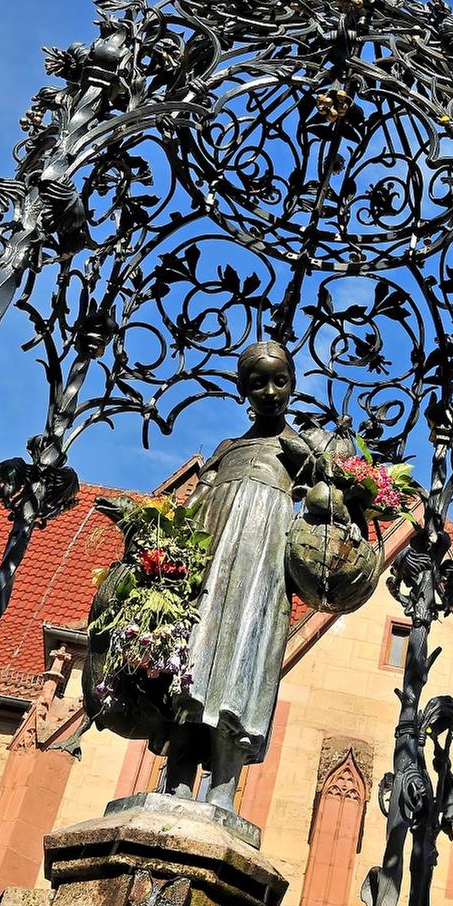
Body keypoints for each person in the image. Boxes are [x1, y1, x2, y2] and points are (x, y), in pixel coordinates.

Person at [156, 341, 317, 812]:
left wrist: (319, 468)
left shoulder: (302, 446)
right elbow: (192, 507)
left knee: (242, 663)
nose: (269, 391)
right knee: (193, 662)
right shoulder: (228, 449)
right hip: (210, 557)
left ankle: (224, 788)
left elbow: (332, 500)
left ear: (292, 384)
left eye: (279, 381)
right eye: (257, 383)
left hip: (261, 566)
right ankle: (178, 780)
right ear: (242, 390)